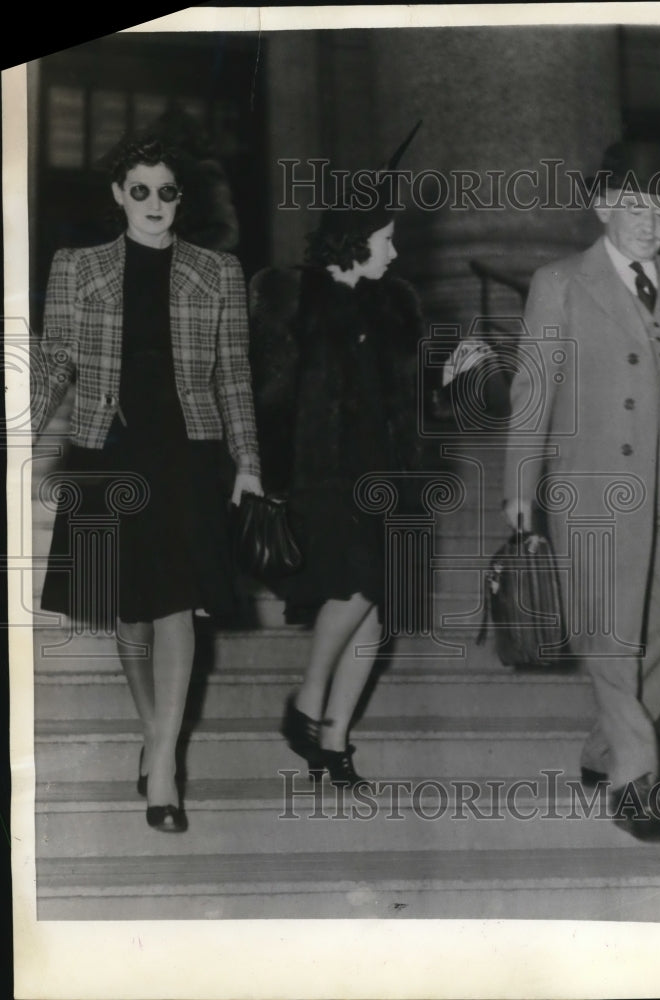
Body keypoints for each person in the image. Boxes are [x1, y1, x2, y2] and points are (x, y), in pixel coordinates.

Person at [502, 141, 660, 842]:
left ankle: (602, 750)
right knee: (610, 636)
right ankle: (634, 783)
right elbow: (533, 389)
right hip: (595, 488)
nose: (650, 219)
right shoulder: (560, 282)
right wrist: (520, 483)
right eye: (635, 204)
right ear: (602, 207)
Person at [34, 133, 262, 832]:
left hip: (187, 453)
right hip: (107, 451)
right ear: (117, 195)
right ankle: (155, 732)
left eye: (167, 191)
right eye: (140, 190)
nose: (154, 204)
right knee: (128, 612)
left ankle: (163, 768)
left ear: (180, 198)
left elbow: (233, 376)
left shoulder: (216, 272)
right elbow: (52, 364)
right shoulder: (77, 268)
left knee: (177, 606)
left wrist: (248, 462)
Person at [248, 128, 423, 788]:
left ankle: (334, 741)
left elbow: (407, 394)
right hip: (321, 480)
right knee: (354, 590)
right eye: (387, 238)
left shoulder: (395, 307)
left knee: (375, 613)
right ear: (356, 238)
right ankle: (307, 702)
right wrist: (259, 474)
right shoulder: (291, 298)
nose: (395, 250)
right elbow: (266, 393)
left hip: (387, 477)